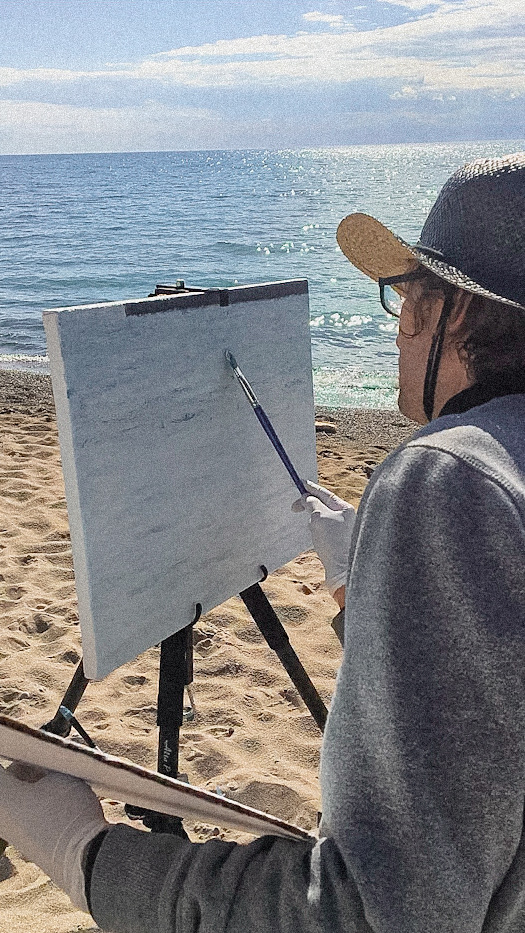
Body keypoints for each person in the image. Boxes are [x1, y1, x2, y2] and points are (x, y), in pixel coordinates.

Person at [1, 151, 525, 933]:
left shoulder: (446, 476)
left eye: (405, 296)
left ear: (438, 311)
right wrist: (371, 603)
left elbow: (374, 911)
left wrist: (84, 852)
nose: (396, 330)